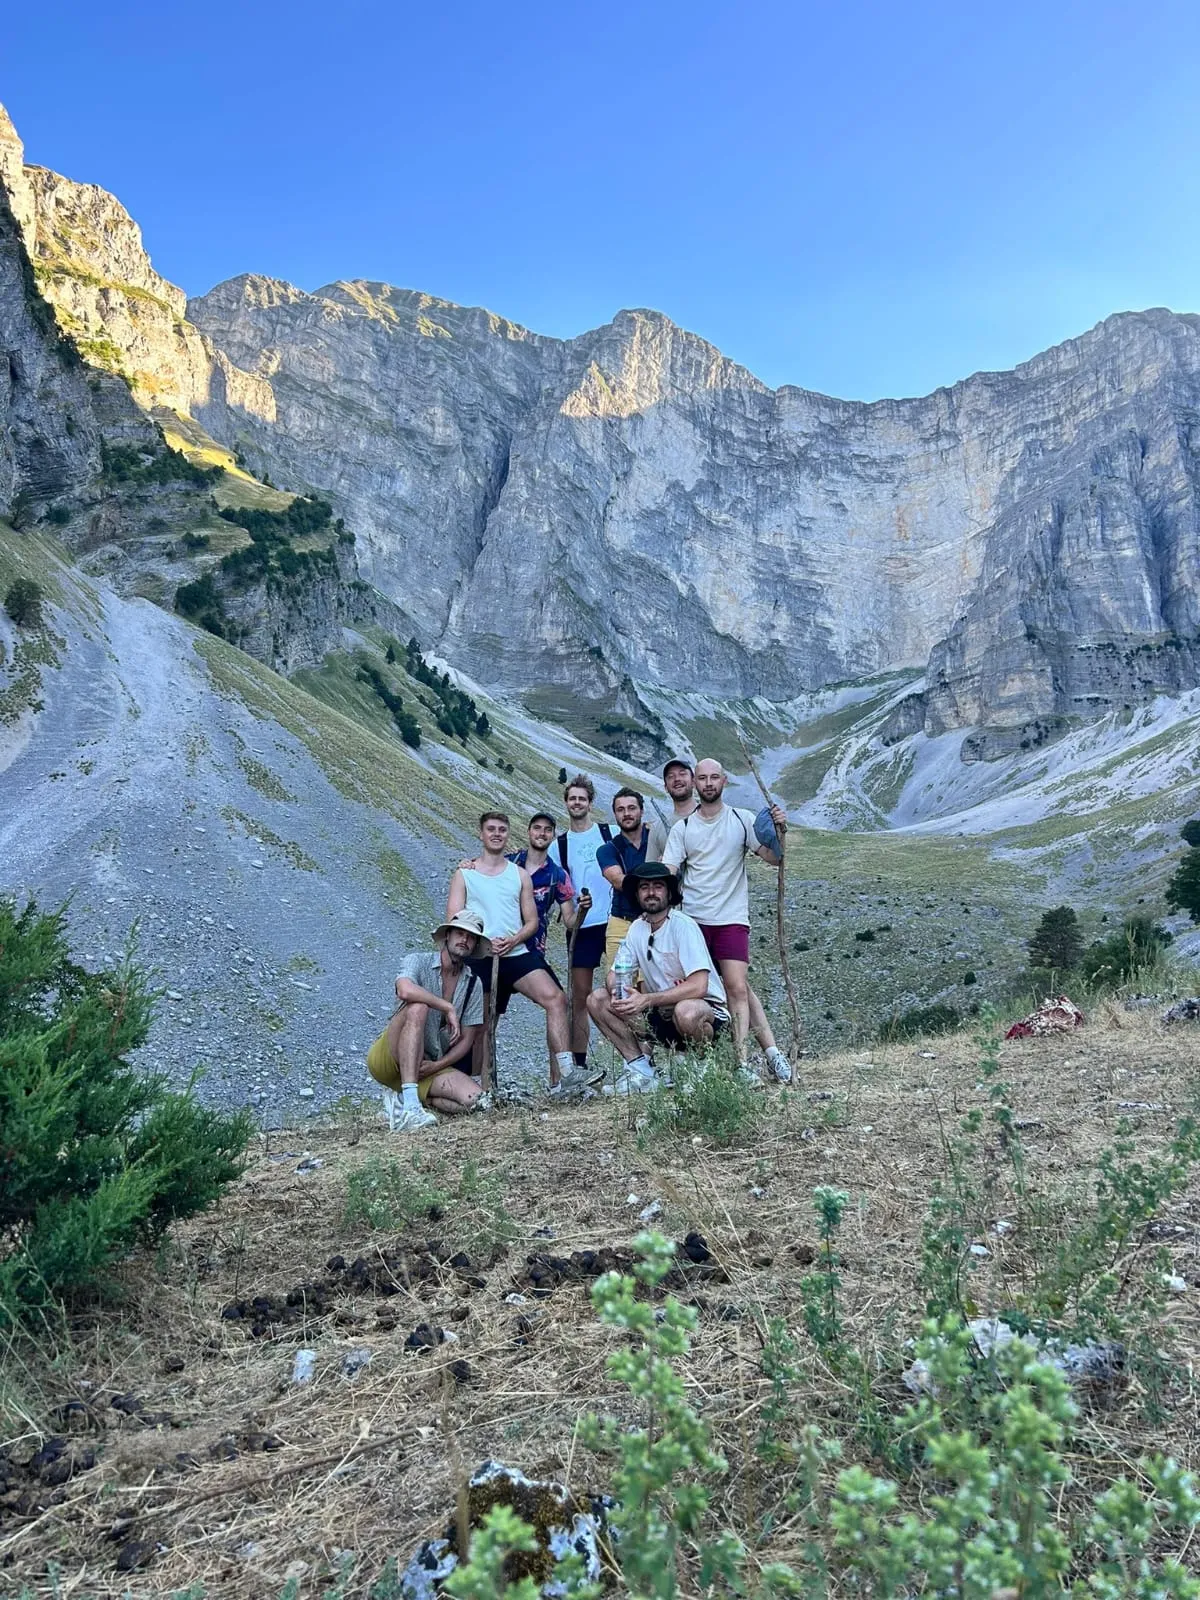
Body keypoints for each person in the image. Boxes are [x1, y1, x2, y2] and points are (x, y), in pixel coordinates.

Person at [652, 757, 793, 1082]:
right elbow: (668, 872)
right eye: (703, 778)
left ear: (724, 781)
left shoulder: (742, 820)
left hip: (731, 919)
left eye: (714, 777)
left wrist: (779, 831)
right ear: (695, 783)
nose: (708, 783)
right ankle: (702, 1061)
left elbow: (773, 858)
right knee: (694, 992)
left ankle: (743, 1063)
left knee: (737, 987)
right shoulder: (683, 828)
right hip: (694, 922)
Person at [447, 811, 583, 1092]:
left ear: (508, 834)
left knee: (556, 999)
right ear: (481, 834)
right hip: (480, 956)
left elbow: (532, 921)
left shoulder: (519, 875)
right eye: (491, 829)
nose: (497, 834)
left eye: (502, 829)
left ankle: (566, 1075)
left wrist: (513, 939)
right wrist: (482, 941)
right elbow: (454, 918)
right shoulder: (465, 873)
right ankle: (482, 1090)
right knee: (481, 1024)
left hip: (516, 952)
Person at [586, 862, 730, 1095]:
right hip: (661, 1014)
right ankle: (641, 1071)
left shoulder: (683, 926)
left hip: (706, 1014)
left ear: (669, 893)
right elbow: (616, 973)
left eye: (658, 886)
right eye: (644, 887)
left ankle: (701, 1068)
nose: (651, 892)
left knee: (686, 1011)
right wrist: (620, 992)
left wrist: (647, 999)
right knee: (597, 999)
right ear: (637, 894)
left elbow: (699, 986)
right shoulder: (637, 929)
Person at [365, 909, 490, 1132]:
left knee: (477, 1101)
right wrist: (446, 1006)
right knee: (418, 1007)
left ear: (475, 946)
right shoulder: (418, 961)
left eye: (471, 937)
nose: (464, 940)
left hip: (428, 1066)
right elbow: (404, 990)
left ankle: (404, 1100)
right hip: (390, 1059)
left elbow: (467, 1039)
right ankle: (411, 1108)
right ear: (447, 935)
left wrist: (436, 1066)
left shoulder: (474, 983)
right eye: (460, 933)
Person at [554, 774, 613, 1070]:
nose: (577, 803)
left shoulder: (609, 832)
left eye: (582, 798)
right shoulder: (559, 846)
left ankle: (639, 1057)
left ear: (590, 803)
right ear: (566, 803)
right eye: (572, 798)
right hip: (582, 924)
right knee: (579, 997)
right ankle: (580, 1064)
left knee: (626, 989)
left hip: (614, 921)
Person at [509, 811, 578, 962]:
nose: (542, 833)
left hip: (532, 951)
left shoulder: (558, 875)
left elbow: (570, 922)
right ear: (528, 831)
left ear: (553, 836)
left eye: (548, 830)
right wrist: (467, 864)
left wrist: (583, 909)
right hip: (499, 943)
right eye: (537, 828)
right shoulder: (508, 862)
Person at [597, 787, 649, 968]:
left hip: (656, 922)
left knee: (654, 981)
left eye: (632, 808)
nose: (626, 813)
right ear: (615, 814)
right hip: (622, 923)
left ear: (641, 810)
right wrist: (655, 875)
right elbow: (618, 881)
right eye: (620, 809)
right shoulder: (607, 850)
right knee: (618, 979)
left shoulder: (658, 839)